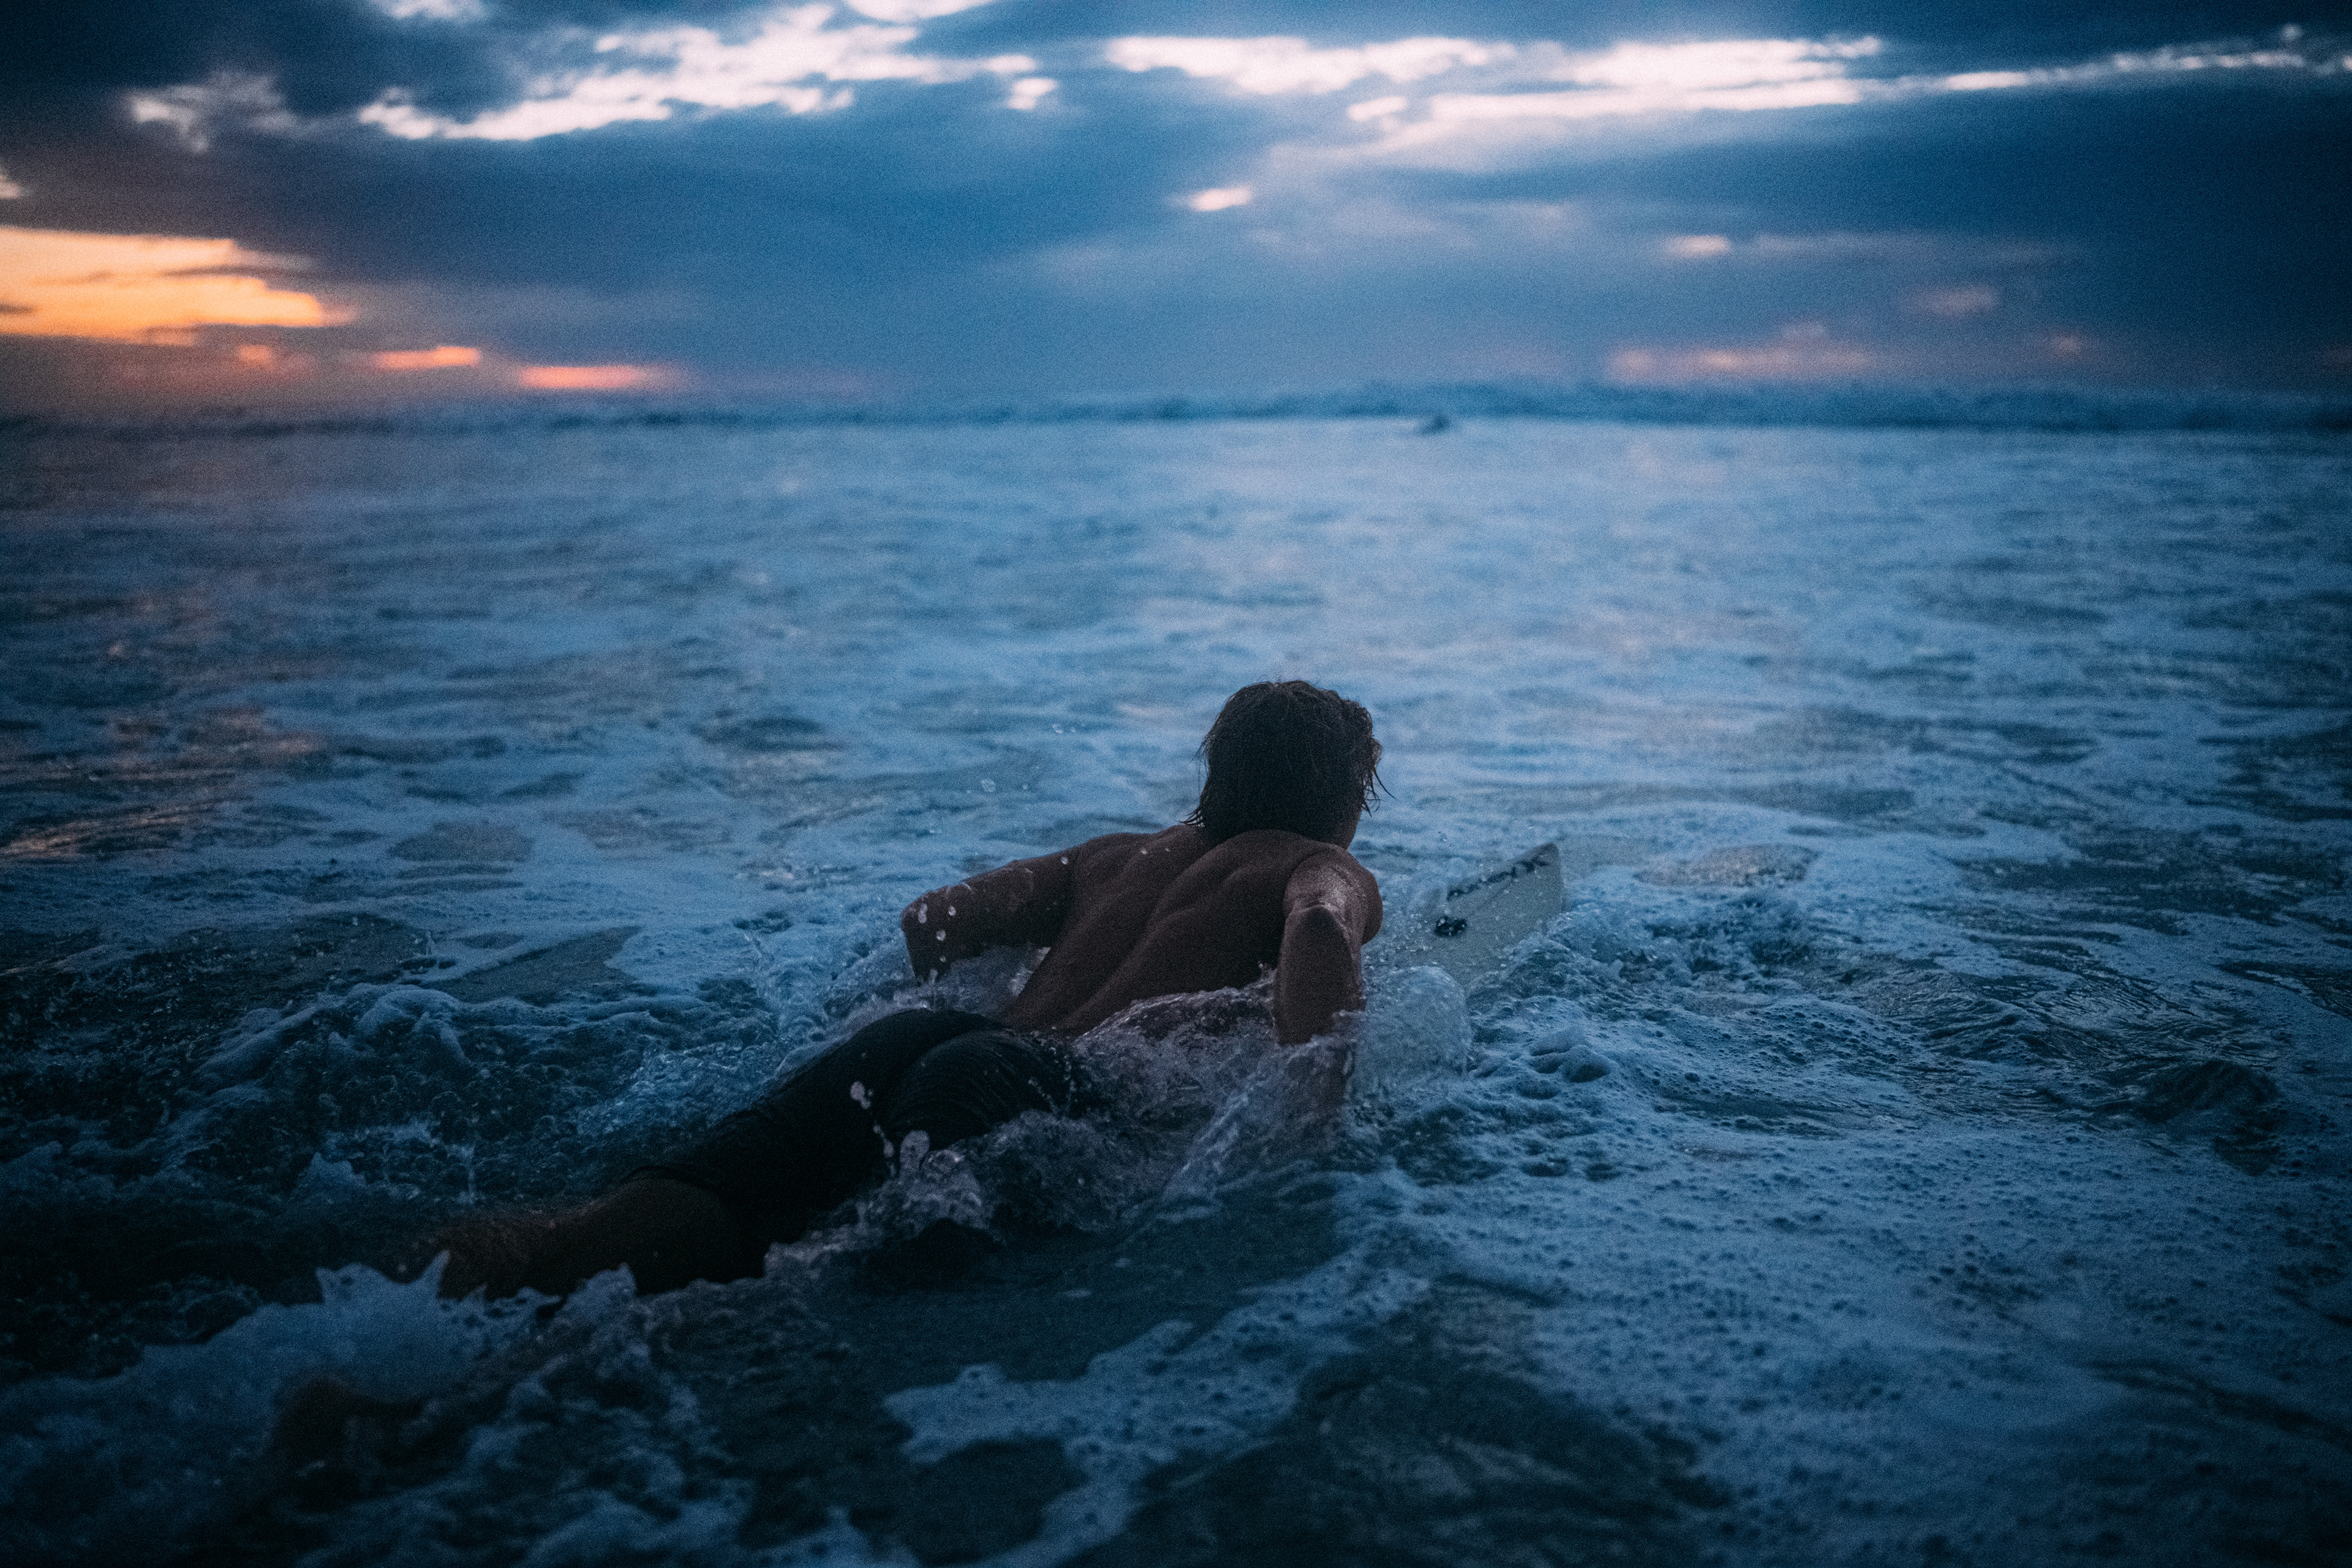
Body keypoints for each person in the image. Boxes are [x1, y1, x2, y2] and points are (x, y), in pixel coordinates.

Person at [420, 680, 1384, 1300]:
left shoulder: (1111, 858)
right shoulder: (1314, 863)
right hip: (1024, 1089)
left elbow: (937, 919)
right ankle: (450, 1416)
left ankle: (410, 1303)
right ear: (1343, 801)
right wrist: (1313, 1108)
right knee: (783, 1290)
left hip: (920, 1041)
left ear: (1218, 776)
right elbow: (1315, 927)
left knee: (646, 1227)